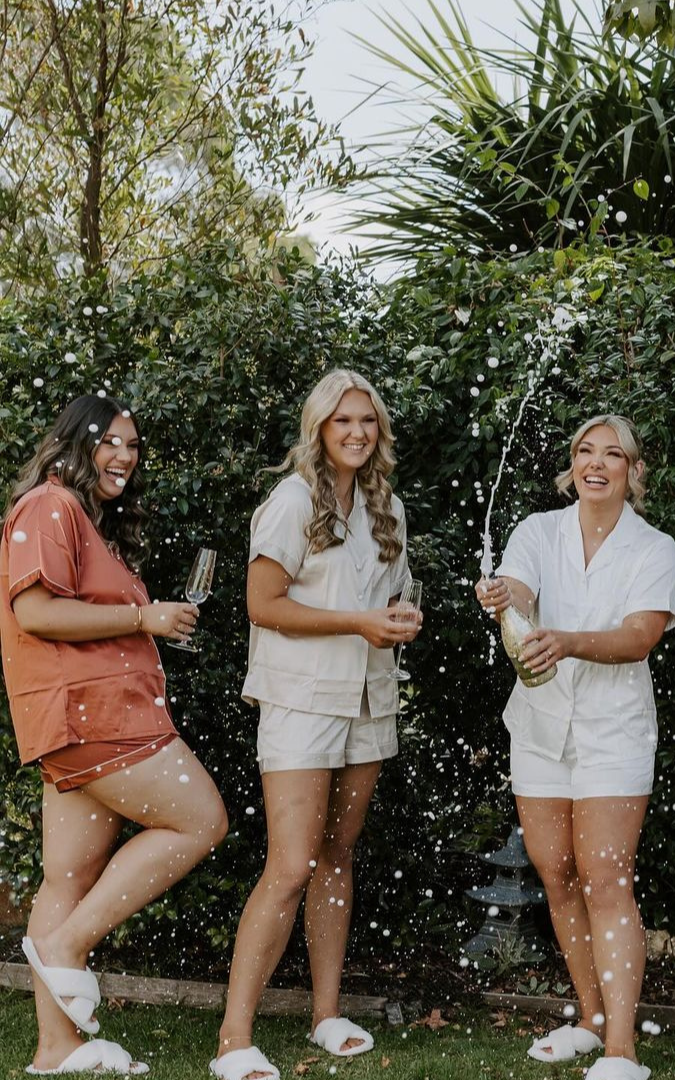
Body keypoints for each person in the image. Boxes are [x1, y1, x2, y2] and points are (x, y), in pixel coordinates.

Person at [0, 395, 228, 1076]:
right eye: (110, 442)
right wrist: (143, 619)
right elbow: (36, 611)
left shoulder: (82, 519)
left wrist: (148, 620)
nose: (124, 456)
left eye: (132, 445)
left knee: (66, 877)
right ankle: (67, 947)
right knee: (202, 820)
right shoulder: (50, 505)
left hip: (80, 718)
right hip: (93, 715)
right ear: (75, 442)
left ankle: (56, 1048)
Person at [211, 370, 419, 1080]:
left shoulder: (386, 505)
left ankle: (326, 1014)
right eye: (342, 421)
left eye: (367, 420)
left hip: (368, 698)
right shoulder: (293, 500)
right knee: (291, 863)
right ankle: (234, 1037)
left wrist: (401, 617)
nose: (356, 432)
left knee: (337, 854)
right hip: (301, 700)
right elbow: (262, 604)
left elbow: (394, 596)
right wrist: (357, 622)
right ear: (319, 429)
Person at [475, 415, 675, 1080]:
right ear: (572, 465)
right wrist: (503, 596)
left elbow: (639, 637)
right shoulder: (539, 531)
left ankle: (622, 1049)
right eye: (585, 451)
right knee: (558, 874)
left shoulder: (655, 548)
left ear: (633, 471)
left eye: (612, 454)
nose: (596, 463)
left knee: (606, 879)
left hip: (613, 732)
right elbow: (520, 592)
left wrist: (564, 641)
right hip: (539, 728)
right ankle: (590, 1019)